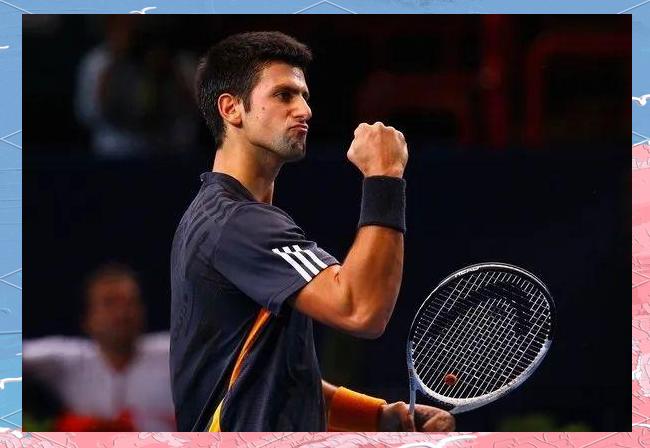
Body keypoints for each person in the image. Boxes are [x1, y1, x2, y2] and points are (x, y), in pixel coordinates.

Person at [170, 31, 455, 432]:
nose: (304, 109)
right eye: (284, 95)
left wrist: (378, 417)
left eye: (304, 96)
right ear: (232, 109)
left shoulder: (218, 216)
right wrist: (384, 175)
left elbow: (276, 384)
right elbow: (361, 309)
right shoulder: (238, 223)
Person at [23, 263, 175, 431]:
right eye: (109, 303)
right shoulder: (67, 361)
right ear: (87, 318)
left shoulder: (172, 353)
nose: (122, 313)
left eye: (131, 302)